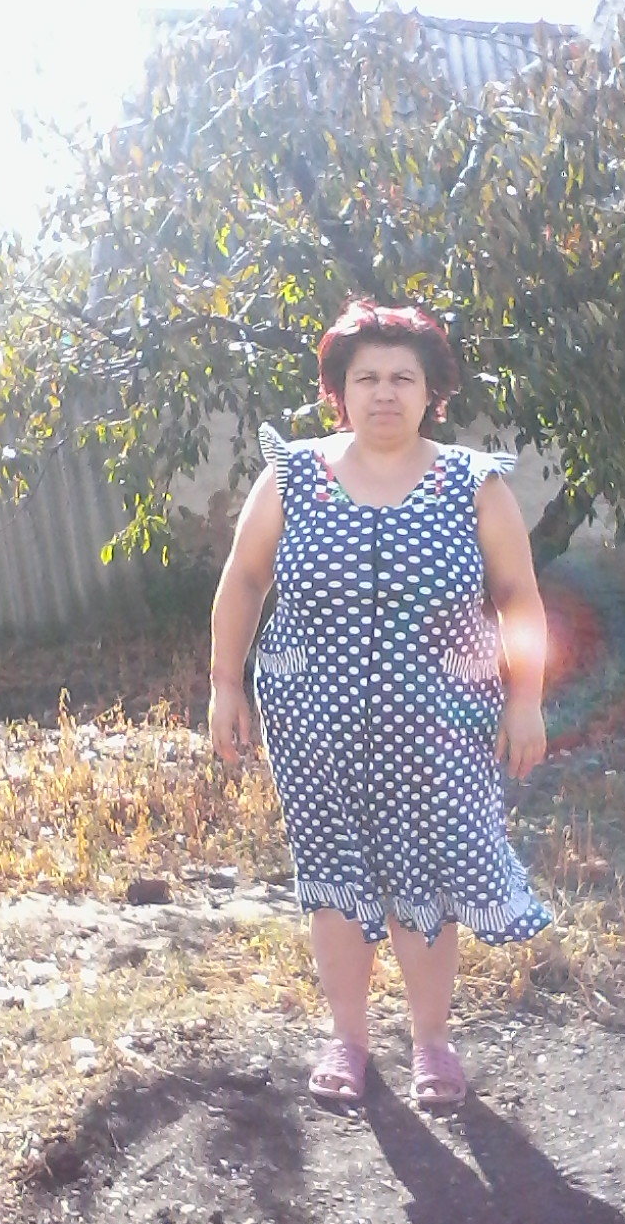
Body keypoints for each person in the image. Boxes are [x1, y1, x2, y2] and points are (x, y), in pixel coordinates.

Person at [208, 300, 551, 1108]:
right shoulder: (293, 476)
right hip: (312, 722)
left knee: (426, 876)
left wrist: (526, 699)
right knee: (333, 872)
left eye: (403, 377)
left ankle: (431, 1043)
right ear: (339, 392)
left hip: (441, 730)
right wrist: (226, 684)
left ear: (433, 392)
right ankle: (349, 1040)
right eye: (366, 378)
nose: (385, 392)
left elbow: (518, 598)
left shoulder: (473, 485)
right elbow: (245, 579)